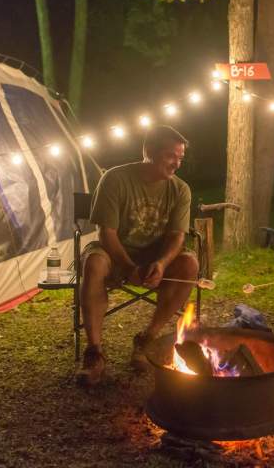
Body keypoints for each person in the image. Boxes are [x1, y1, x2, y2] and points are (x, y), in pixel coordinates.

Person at [77, 125, 198, 386]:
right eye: (170, 156)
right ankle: (94, 353)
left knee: (189, 263)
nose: (176, 163)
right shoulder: (115, 178)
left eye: (180, 158)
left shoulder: (180, 190)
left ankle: (147, 339)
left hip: (154, 256)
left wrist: (163, 264)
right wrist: (130, 267)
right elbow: (106, 233)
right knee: (94, 263)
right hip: (115, 252)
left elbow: (178, 237)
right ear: (148, 151)